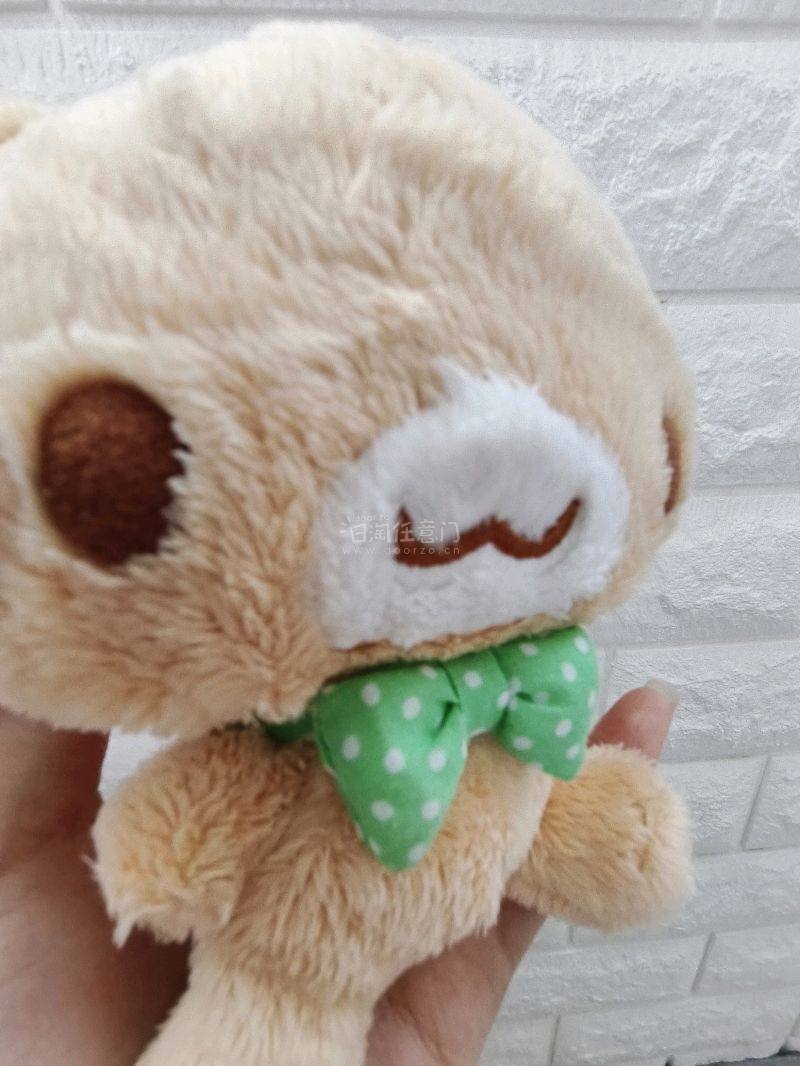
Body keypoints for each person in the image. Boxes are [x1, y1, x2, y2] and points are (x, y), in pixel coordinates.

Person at [0, 682, 678, 1066]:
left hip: (476, 837)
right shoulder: (280, 724)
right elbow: (193, 816)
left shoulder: (515, 707)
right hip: (283, 980)